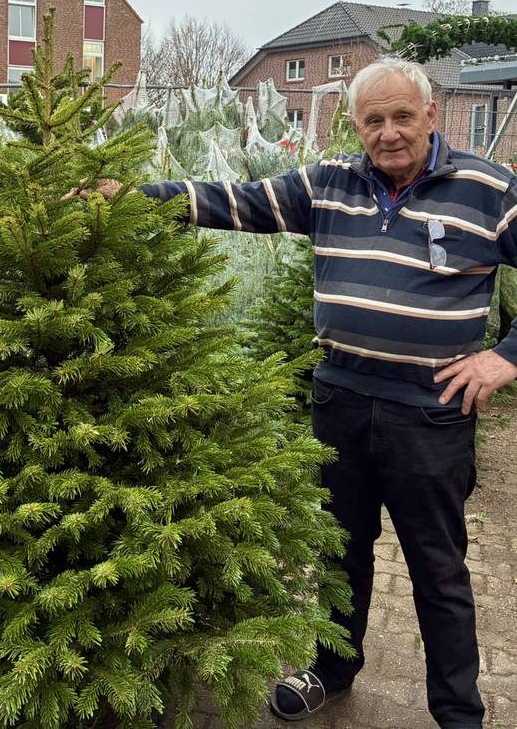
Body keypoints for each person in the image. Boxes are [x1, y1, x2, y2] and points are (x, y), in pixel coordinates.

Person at [92, 57, 512, 728]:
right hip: (340, 399)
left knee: (438, 567)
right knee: (338, 547)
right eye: (373, 120)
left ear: (432, 115)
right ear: (355, 125)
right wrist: (132, 198)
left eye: (403, 115)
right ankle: (333, 668)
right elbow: (235, 201)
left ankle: (459, 712)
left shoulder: (487, 189)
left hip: (430, 415)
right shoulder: (329, 184)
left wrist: (503, 358)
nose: (390, 132)